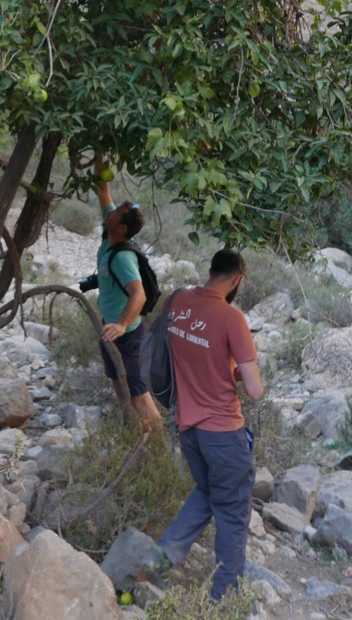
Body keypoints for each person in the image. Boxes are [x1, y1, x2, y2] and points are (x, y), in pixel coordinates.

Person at [139, 248, 263, 600]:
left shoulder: (178, 301)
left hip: (187, 427)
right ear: (237, 279)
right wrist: (240, 370)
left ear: (211, 270)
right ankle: (223, 601)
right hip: (223, 434)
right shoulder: (231, 318)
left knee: (206, 496)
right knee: (232, 513)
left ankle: (152, 572)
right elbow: (255, 390)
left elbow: (188, 354)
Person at [82, 159, 163, 433]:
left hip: (128, 336)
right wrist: (99, 150)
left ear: (123, 228)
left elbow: (138, 295)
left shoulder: (123, 257)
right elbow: (102, 188)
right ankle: (133, 436)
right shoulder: (109, 235)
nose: (110, 210)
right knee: (118, 383)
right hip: (111, 329)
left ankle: (159, 448)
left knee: (138, 392)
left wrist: (121, 325)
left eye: (115, 212)